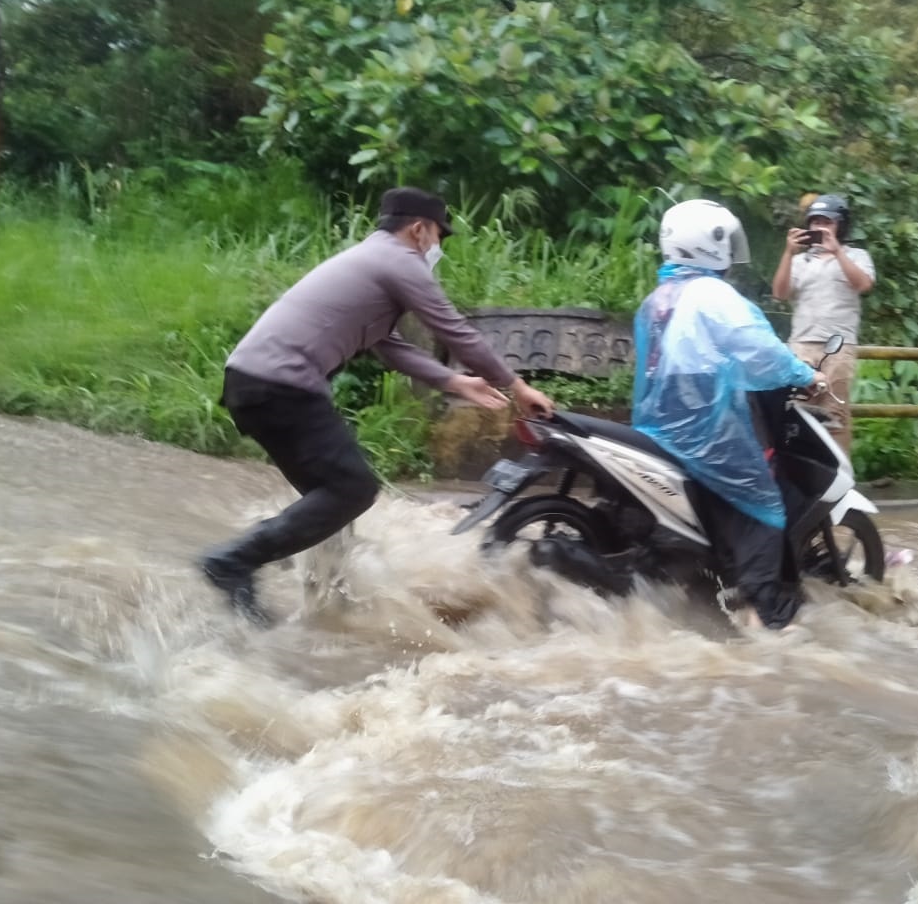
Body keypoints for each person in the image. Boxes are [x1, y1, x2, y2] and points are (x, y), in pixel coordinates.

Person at [200, 186, 554, 625]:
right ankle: (235, 560)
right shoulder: (397, 260)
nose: (439, 248)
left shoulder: (369, 262)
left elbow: (389, 346)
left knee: (331, 497)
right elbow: (455, 330)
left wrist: (454, 381)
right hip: (281, 385)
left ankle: (327, 599)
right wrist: (517, 386)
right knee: (353, 490)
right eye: (440, 237)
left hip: (253, 385)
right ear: (420, 229)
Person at [631, 198, 826, 629]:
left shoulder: (658, 298)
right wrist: (805, 375)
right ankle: (767, 610)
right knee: (760, 501)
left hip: (658, 420)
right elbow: (758, 349)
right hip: (700, 418)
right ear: (712, 245)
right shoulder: (714, 295)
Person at [770, 193, 875, 457]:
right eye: (815, 222)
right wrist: (788, 252)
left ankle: (840, 477)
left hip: (839, 348)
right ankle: (800, 477)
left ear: (841, 225)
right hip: (802, 346)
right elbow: (780, 293)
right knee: (796, 412)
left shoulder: (857, 255)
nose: (820, 228)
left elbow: (863, 284)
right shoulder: (799, 261)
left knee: (835, 415)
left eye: (826, 222)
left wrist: (837, 251)